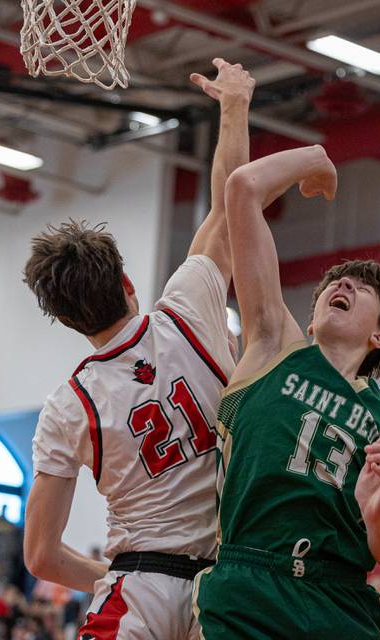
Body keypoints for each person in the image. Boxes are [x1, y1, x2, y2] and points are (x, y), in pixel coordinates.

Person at [22, 59, 254, 639]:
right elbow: (231, 206)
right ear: (127, 283)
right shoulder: (187, 309)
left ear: (69, 322)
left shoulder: (69, 405)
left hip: (138, 587)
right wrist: (233, 106)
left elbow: (42, 558)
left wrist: (114, 575)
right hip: (226, 587)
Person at [192, 145, 380, 639]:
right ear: (312, 321)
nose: (344, 284)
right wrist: (316, 157)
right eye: (336, 282)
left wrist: (376, 520)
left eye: (362, 288)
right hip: (250, 582)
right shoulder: (274, 344)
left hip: (341, 597)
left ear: (378, 336)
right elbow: (243, 190)